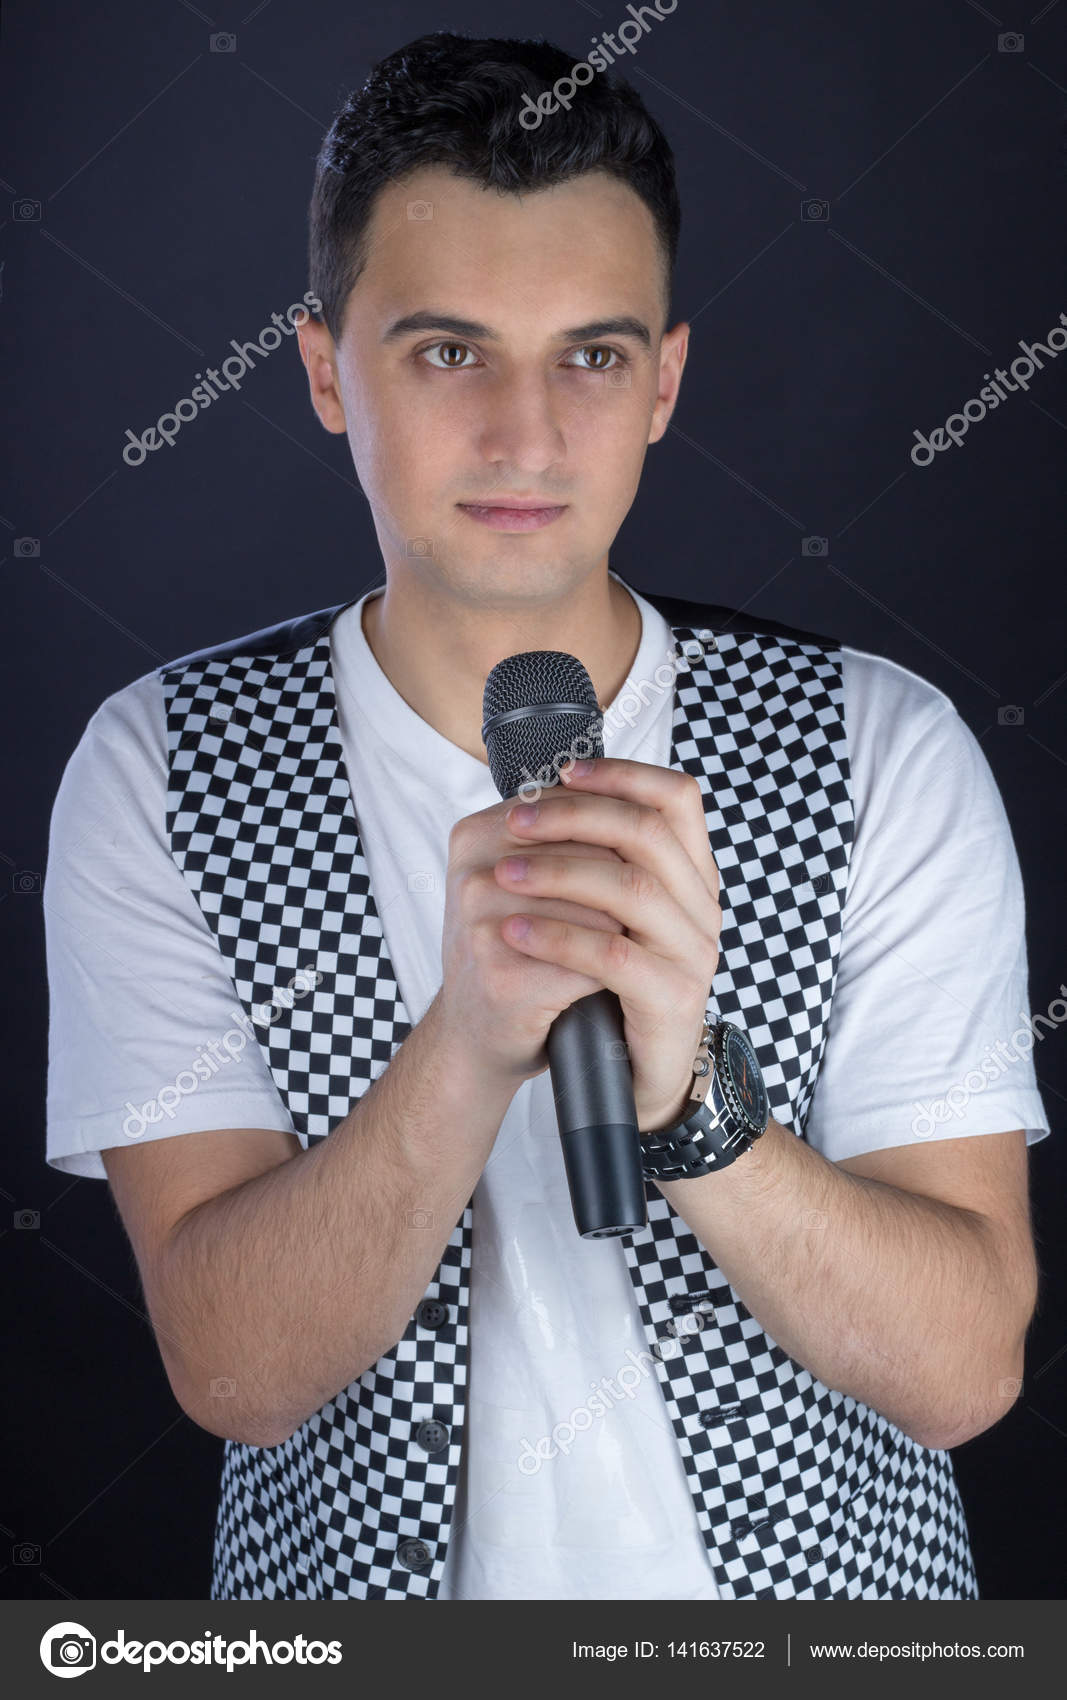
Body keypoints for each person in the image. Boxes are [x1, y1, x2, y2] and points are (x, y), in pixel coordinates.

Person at [44, 31, 1048, 1603]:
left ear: (665, 383)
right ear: (325, 371)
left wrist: (693, 1104)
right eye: (449, 353)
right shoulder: (163, 765)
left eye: (591, 357)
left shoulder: (879, 748)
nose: (525, 437)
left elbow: (962, 1372)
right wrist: (464, 1047)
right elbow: (237, 1376)